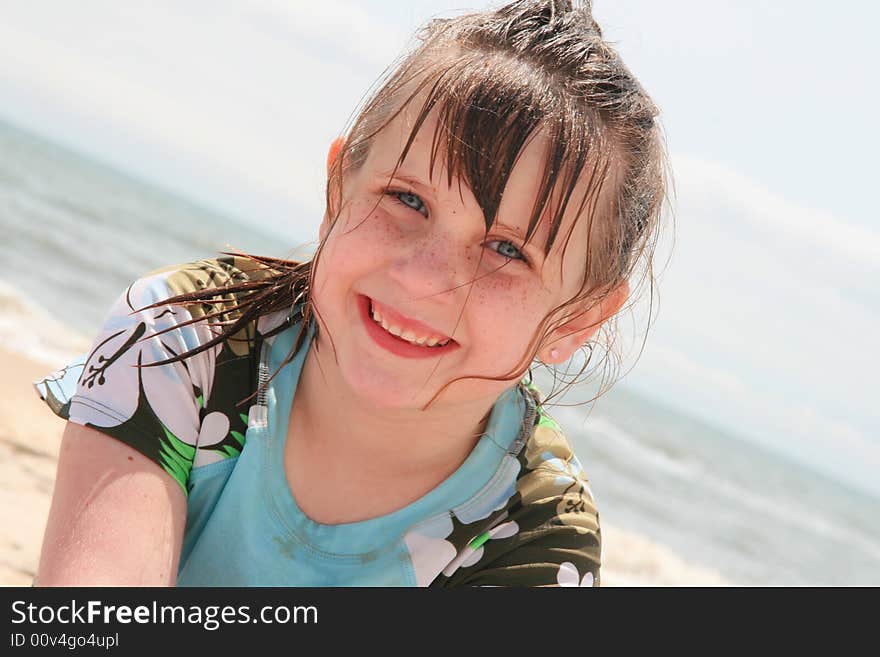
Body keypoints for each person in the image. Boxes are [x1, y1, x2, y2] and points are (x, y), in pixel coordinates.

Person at [31, 0, 668, 586]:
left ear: (577, 319)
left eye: (507, 250)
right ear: (339, 190)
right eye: (407, 199)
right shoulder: (187, 335)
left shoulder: (535, 537)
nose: (423, 278)